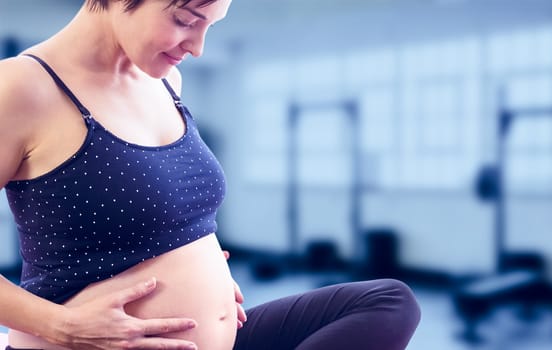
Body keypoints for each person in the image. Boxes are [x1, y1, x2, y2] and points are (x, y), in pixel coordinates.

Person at [0, 0, 421, 349]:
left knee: (388, 302)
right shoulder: (21, 86)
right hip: (98, 342)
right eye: (185, 20)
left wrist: (203, 274)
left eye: (209, 26)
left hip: (203, 339)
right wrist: (62, 325)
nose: (198, 47)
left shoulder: (166, 82)